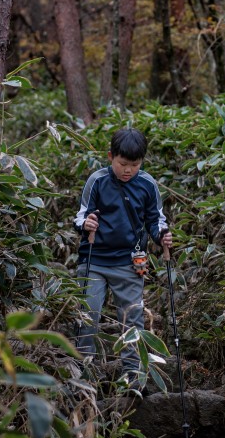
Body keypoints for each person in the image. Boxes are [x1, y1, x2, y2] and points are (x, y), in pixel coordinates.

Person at [74, 127, 173, 385]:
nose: (128, 170)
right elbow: (81, 215)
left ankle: (133, 378)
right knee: (88, 316)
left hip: (129, 263)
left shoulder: (147, 184)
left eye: (135, 165)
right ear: (110, 157)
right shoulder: (97, 180)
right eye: (122, 164)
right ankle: (84, 377)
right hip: (93, 260)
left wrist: (162, 235)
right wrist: (86, 225)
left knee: (132, 320)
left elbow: (155, 220)